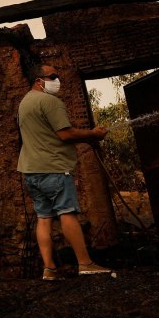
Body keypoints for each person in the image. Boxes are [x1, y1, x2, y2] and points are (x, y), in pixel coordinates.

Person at [18, 64, 113, 280]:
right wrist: (92, 134)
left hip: (31, 171)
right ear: (38, 80)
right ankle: (85, 263)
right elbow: (65, 134)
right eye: (52, 76)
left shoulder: (24, 103)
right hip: (53, 169)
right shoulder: (50, 102)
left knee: (43, 218)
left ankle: (49, 269)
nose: (56, 80)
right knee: (67, 213)